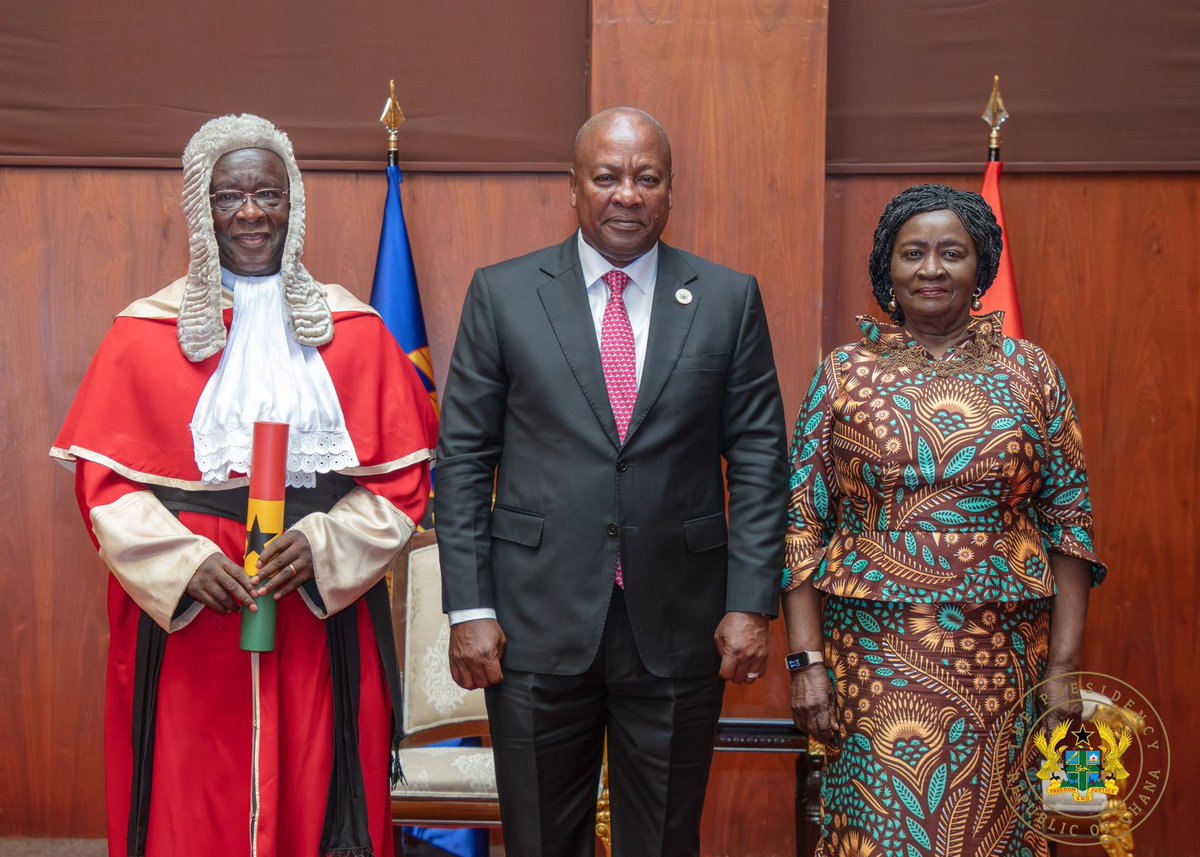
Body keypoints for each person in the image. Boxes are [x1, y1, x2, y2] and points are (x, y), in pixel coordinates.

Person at [50, 114, 437, 857]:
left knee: (317, 784)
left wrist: (324, 545)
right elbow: (104, 489)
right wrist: (185, 562)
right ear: (201, 205)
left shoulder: (352, 328)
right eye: (231, 196)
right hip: (197, 613)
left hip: (311, 604)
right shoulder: (142, 331)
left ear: (295, 203)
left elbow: (403, 484)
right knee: (194, 795)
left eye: (270, 193)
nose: (252, 213)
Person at [435, 107, 788, 856]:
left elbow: (759, 459)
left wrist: (750, 603)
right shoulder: (503, 294)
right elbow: (463, 458)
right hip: (532, 624)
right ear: (573, 187)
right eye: (607, 176)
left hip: (681, 624)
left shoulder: (728, 299)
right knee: (538, 840)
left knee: (662, 841)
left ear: (669, 191)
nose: (627, 194)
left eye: (646, 177)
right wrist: (469, 605)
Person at [783, 184, 1106, 855]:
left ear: (980, 266)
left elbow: (1071, 523)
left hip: (1002, 659)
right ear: (888, 270)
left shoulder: (1032, 371)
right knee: (882, 832)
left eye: (951, 252)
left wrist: (1065, 666)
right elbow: (801, 525)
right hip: (870, 660)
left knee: (992, 833)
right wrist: (807, 661)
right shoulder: (843, 374)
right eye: (914, 253)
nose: (932, 268)